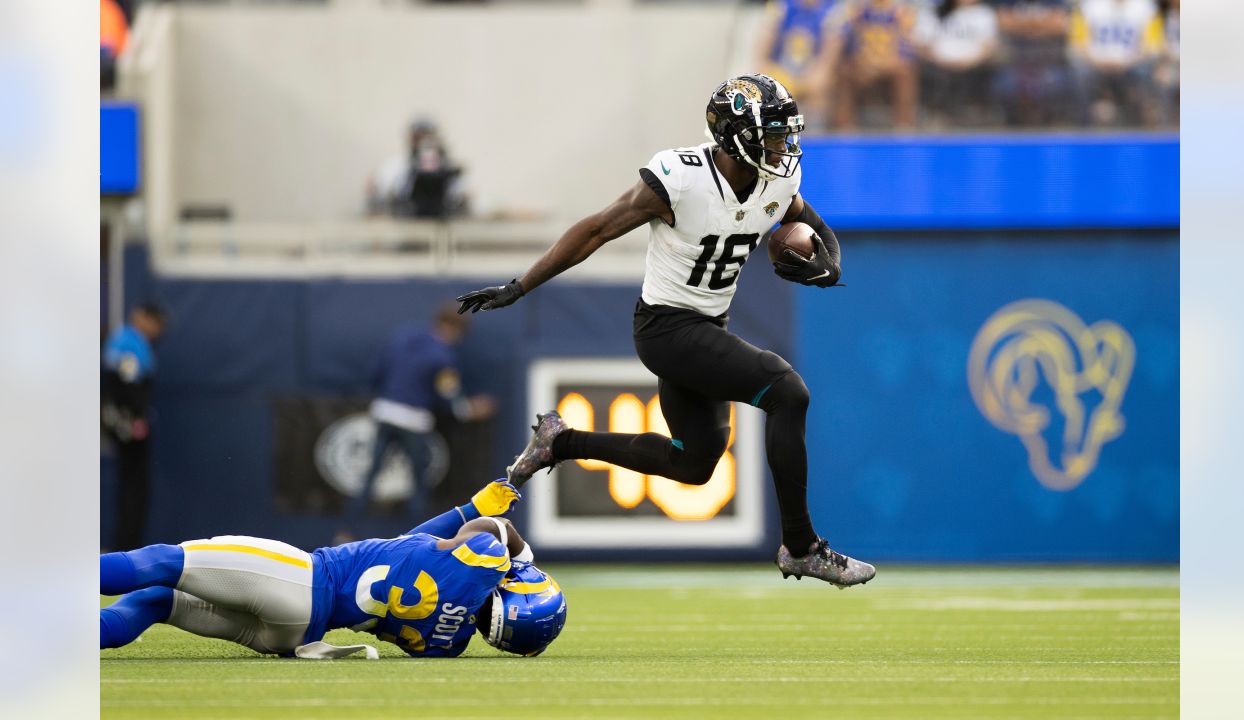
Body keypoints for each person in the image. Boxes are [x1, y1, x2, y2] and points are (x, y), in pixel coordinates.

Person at [456, 74, 876, 589]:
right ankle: (801, 545)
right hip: (666, 328)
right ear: (734, 135)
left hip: (707, 327)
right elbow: (596, 229)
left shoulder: (777, 181)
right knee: (787, 393)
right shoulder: (678, 178)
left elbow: (813, 224)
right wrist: (522, 286)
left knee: (695, 464)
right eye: (770, 134)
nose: (781, 146)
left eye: (782, 134)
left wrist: (828, 265)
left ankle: (561, 443)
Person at [101, 480, 567, 658]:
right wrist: (466, 508)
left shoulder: (484, 560)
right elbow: (411, 549)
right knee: (158, 602)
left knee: (161, 563)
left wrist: (517, 553)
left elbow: (495, 530)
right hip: (291, 638)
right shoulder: (449, 644)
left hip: (302, 582)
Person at [345, 305, 497, 530]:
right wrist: (470, 409)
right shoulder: (443, 357)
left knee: (368, 479)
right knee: (419, 485)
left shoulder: (401, 339)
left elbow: (375, 374)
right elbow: (450, 400)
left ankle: (345, 534)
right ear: (454, 329)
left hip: (385, 412)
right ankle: (419, 539)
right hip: (413, 421)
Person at [102, 302, 168, 552]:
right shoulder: (128, 344)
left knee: (134, 487)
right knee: (133, 488)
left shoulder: (133, 343)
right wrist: (135, 419)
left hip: (129, 421)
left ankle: (128, 547)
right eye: (156, 323)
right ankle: (127, 550)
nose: (158, 330)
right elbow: (125, 386)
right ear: (141, 317)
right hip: (129, 425)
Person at [825, 0, 920, 130]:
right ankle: (844, 127)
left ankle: (904, 126)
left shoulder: (902, 11)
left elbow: (908, 47)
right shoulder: (855, 10)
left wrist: (883, 64)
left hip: (891, 65)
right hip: (862, 64)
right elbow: (847, 40)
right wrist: (864, 63)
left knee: (905, 72)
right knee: (844, 72)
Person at [1068, 0, 1165, 127]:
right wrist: (1097, 61)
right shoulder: (1088, 6)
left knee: (1146, 73)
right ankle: (1084, 126)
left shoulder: (1147, 7)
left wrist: (1128, 61)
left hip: (1133, 63)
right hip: (1095, 63)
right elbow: (1078, 45)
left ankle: (1139, 125)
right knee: (1080, 74)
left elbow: (1153, 46)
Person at [756, 0, 846, 131]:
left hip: (814, 68)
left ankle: (814, 136)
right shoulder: (781, 5)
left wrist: (820, 71)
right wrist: (763, 65)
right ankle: (774, 136)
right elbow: (766, 40)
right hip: (783, 68)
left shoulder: (833, 9)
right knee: (768, 85)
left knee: (819, 86)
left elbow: (832, 46)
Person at [916, 0, 1000, 128]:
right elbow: (922, 45)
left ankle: (977, 116)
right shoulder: (932, 12)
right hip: (936, 64)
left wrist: (969, 62)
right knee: (929, 74)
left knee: (988, 70)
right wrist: (940, 61)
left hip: (974, 65)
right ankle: (936, 116)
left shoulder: (983, 14)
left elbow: (988, 46)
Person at [366, 117, 467, 219]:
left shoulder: (448, 167)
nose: (423, 143)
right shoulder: (396, 166)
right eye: (418, 138)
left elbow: (463, 198)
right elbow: (377, 196)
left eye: (427, 137)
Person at [991, 0, 1071, 126]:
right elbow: (1003, 23)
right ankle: (1013, 124)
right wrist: (1042, 26)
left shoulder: (1056, 2)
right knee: (1005, 85)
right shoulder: (1009, 2)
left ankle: (1049, 123)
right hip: (1016, 61)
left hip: (1049, 60)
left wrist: (1020, 27)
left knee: (1058, 84)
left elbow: (1059, 25)